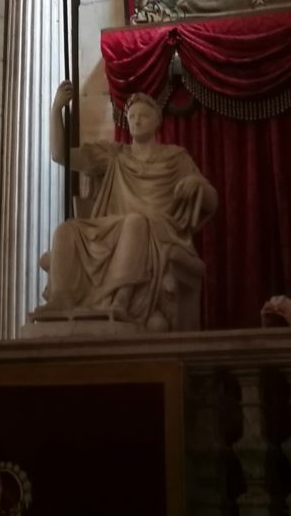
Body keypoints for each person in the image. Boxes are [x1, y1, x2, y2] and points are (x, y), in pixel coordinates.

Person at [35, 85, 218, 331]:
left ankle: (120, 299)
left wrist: (196, 185)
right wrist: (56, 110)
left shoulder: (175, 157)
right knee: (67, 230)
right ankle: (61, 299)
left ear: (157, 121)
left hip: (158, 229)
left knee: (135, 222)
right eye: (132, 117)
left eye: (143, 116)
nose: (136, 121)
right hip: (114, 227)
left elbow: (211, 200)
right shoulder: (115, 155)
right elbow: (61, 155)